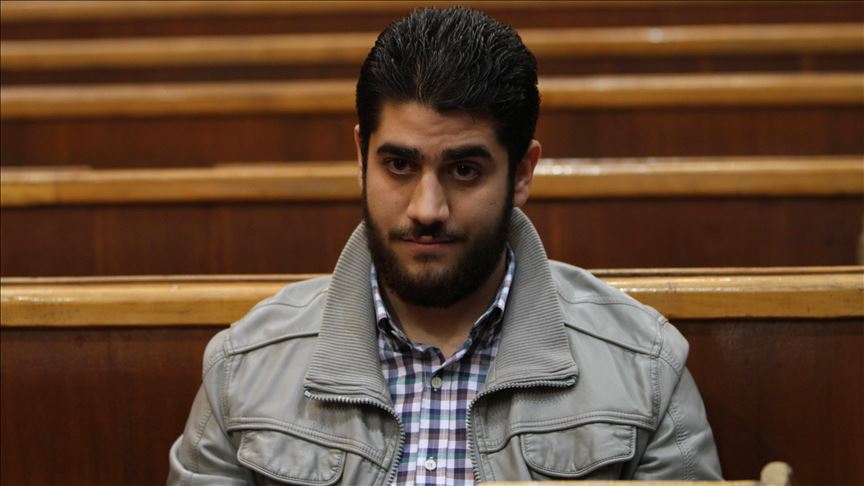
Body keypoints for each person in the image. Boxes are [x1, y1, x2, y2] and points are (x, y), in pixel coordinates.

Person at [168, 7, 721, 484]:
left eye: (464, 170)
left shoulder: (645, 370)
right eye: (399, 165)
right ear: (361, 158)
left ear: (522, 172)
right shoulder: (244, 369)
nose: (427, 209)